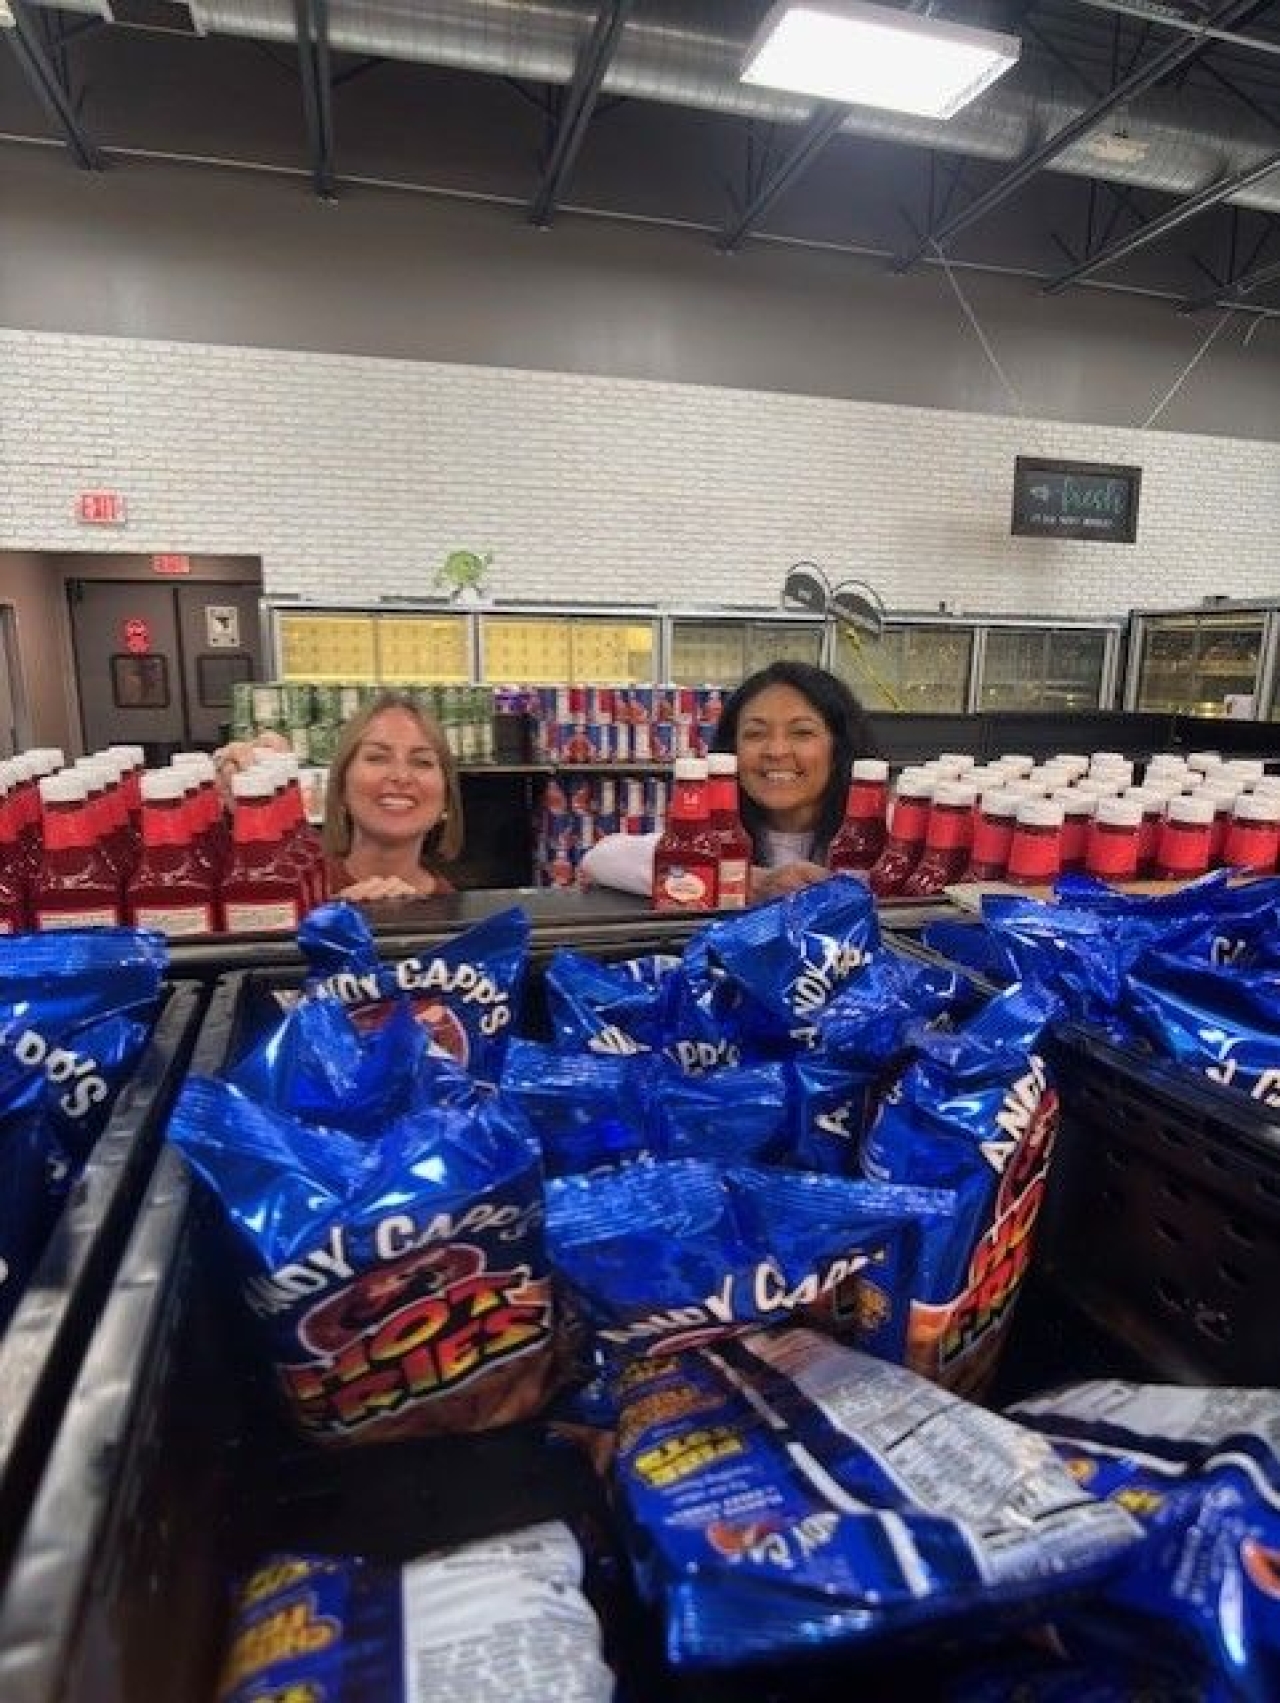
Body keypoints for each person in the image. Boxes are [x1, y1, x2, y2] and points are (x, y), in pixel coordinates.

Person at [581, 661, 877, 904]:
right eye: (755, 734)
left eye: (802, 733)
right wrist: (747, 881)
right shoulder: (715, 833)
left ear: (840, 748)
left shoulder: (884, 836)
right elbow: (601, 858)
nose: (775, 751)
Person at [217, 693, 464, 902]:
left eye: (422, 762)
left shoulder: (459, 915)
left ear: (446, 798)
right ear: (341, 785)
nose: (401, 776)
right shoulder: (294, 884)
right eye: (377, 758)